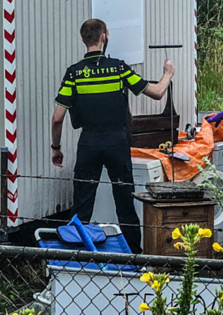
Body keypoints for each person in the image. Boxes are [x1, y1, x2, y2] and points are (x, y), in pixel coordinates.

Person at [50, 18, 175, 253]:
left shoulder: (74, 73)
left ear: (83, 39)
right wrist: (167, 73)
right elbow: (157, 93)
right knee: (124, 201)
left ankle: (75, 255)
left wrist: (55, 147)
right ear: (104, 36)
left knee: (82, 204)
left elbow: (57, 118)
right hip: (117, 141)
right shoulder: (119, 68)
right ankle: (134, 256)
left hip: (89, 142)